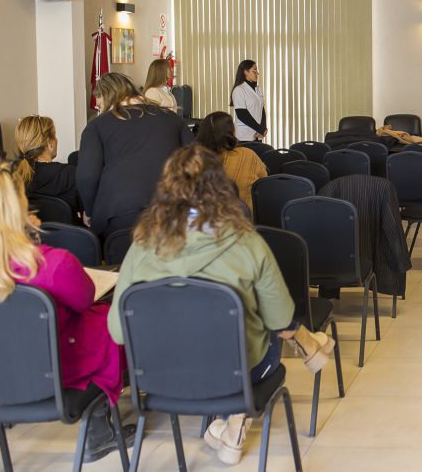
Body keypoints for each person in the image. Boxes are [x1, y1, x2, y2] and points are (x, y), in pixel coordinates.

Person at [107, 145, 334, 465]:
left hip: (158, 377)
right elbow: (281, 316)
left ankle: (235, 421)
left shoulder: (142, 245)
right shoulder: (248, 242)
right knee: (272, 322)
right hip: (237, 373)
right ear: (220, 186)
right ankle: (242, 412)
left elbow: (118, 332)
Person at [0, 164, 132, 463]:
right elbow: (83, 300)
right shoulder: (54, 264)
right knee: (109, 320)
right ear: (18, 208)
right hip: (57, 375)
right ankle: (99, 428)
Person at [77, 72, 194, 239]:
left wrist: (89, 210)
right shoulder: (172, 119)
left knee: (122, 264)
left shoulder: (97, 126)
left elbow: (87, 176)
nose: (99, 107)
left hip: (119, 213)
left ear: (106, 95)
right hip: (172, 208)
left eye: (99, 102)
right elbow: (197, 160)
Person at [196, 111, 268, 213]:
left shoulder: (193, 159)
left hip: (203, 220)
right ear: (231, 131)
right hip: (243, 220)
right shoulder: (248, 155)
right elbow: (265, 183)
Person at [11, 114, 80, 212]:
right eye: (55, 135)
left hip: (30, 227)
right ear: (50, 143)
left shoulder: (13, 174)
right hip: (66, 227)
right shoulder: (70, 174)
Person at [231, 59, 267, 142]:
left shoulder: (258, 89)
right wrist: (260, 129)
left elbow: (261, 109)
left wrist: (263, 129)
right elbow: (242, 114)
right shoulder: (239, 90)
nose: (257, 73)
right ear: (246, 72)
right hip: (244, 136)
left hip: (258, 134)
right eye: (254, 70)